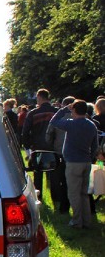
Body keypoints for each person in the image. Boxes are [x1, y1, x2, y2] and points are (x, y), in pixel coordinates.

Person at [48, 99, 99, 229]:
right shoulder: (91, 125)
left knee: (73, 193)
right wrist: (91, 157)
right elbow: (95, 145)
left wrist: (64, 109)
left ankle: (77, 221)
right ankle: (86, 220)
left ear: (74, 110)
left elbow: (53, 121)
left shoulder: (71, 124)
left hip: (73, 162)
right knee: (84, 193)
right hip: (86, 161)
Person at [21, 88, 59, 198]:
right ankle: (55, 196)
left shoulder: (33, 113)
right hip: (53, 146)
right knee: (54, 172)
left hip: (37, 146)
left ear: (39, 97)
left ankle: (38, 196)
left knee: (38, 173)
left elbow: (25, 131)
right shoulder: (56, 112)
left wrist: (27, 147)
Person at [45, 96, 75, 213]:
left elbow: (49, 133)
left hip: (59, 151)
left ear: (64, 105)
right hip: (75, 154)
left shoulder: (60, 118)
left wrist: (51, 145)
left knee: (59, 179)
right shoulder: (81, 118)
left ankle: (61, 202)